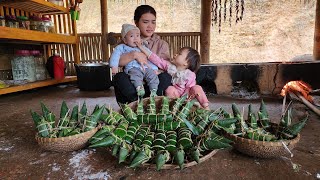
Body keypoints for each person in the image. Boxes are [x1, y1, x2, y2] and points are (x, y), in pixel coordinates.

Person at [112, 5, 172, 104]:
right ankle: (136, 103)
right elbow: (116, 62)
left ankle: (153, 101)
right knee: (119, 77)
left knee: (166, 77)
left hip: (153, 85)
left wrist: (155, 71)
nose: (150, 26)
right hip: (133, 86)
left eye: (153, 22)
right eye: (145, 22)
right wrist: (134, 54)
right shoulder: (126, 42)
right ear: (136, 23)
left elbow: (166, 66)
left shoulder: (162, 44)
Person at [136, 43, 210, 109]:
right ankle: (173, 108)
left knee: (197, 88)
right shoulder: (169, 66)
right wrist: (142, 48)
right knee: (169, 89)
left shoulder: (190, 75)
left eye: (179, 54)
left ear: (186, 63)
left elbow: (189, 88)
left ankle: (205, 106)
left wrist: (185, 99)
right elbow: (157, 60)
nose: (175, 54)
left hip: (187, 97)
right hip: (175, 95)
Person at [109, 24, 159, 98]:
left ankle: (154, 90)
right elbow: (115, 56)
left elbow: (150, 57)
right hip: (133, 68)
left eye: (137, 36)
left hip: (145, 68)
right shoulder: (122, 47)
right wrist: (114, 66)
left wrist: (154, 68)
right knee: (135, 77)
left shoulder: (142, 47)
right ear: (125, 40)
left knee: (153, 76)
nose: (135, 38)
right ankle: (139, 89)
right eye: (132, 36)